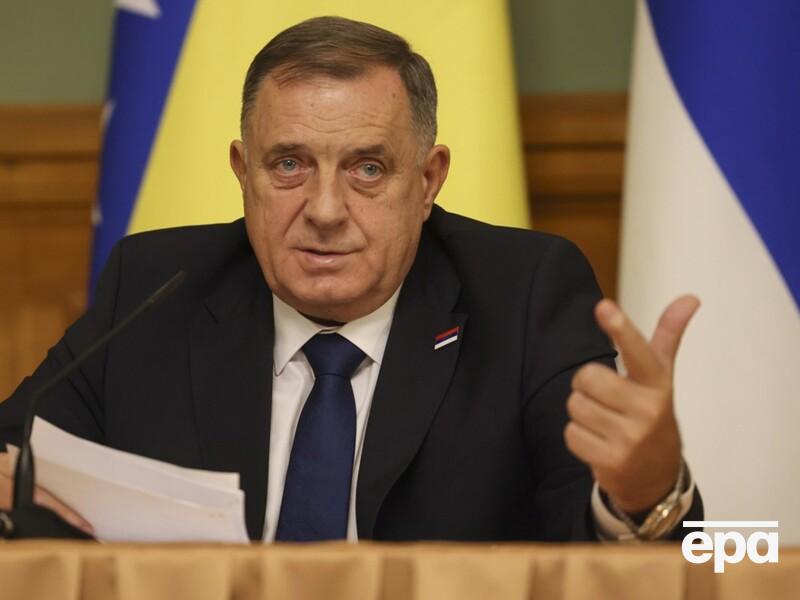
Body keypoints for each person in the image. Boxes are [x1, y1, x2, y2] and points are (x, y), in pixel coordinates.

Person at [0, 16, 702, 542]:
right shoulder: (159, 287)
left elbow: (613, 543)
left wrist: (647, 493)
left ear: (427, 181)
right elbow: (13, 449)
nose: (326, 211)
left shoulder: (523, 296)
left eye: (368, 168)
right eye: (289, 165)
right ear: (244, 173)